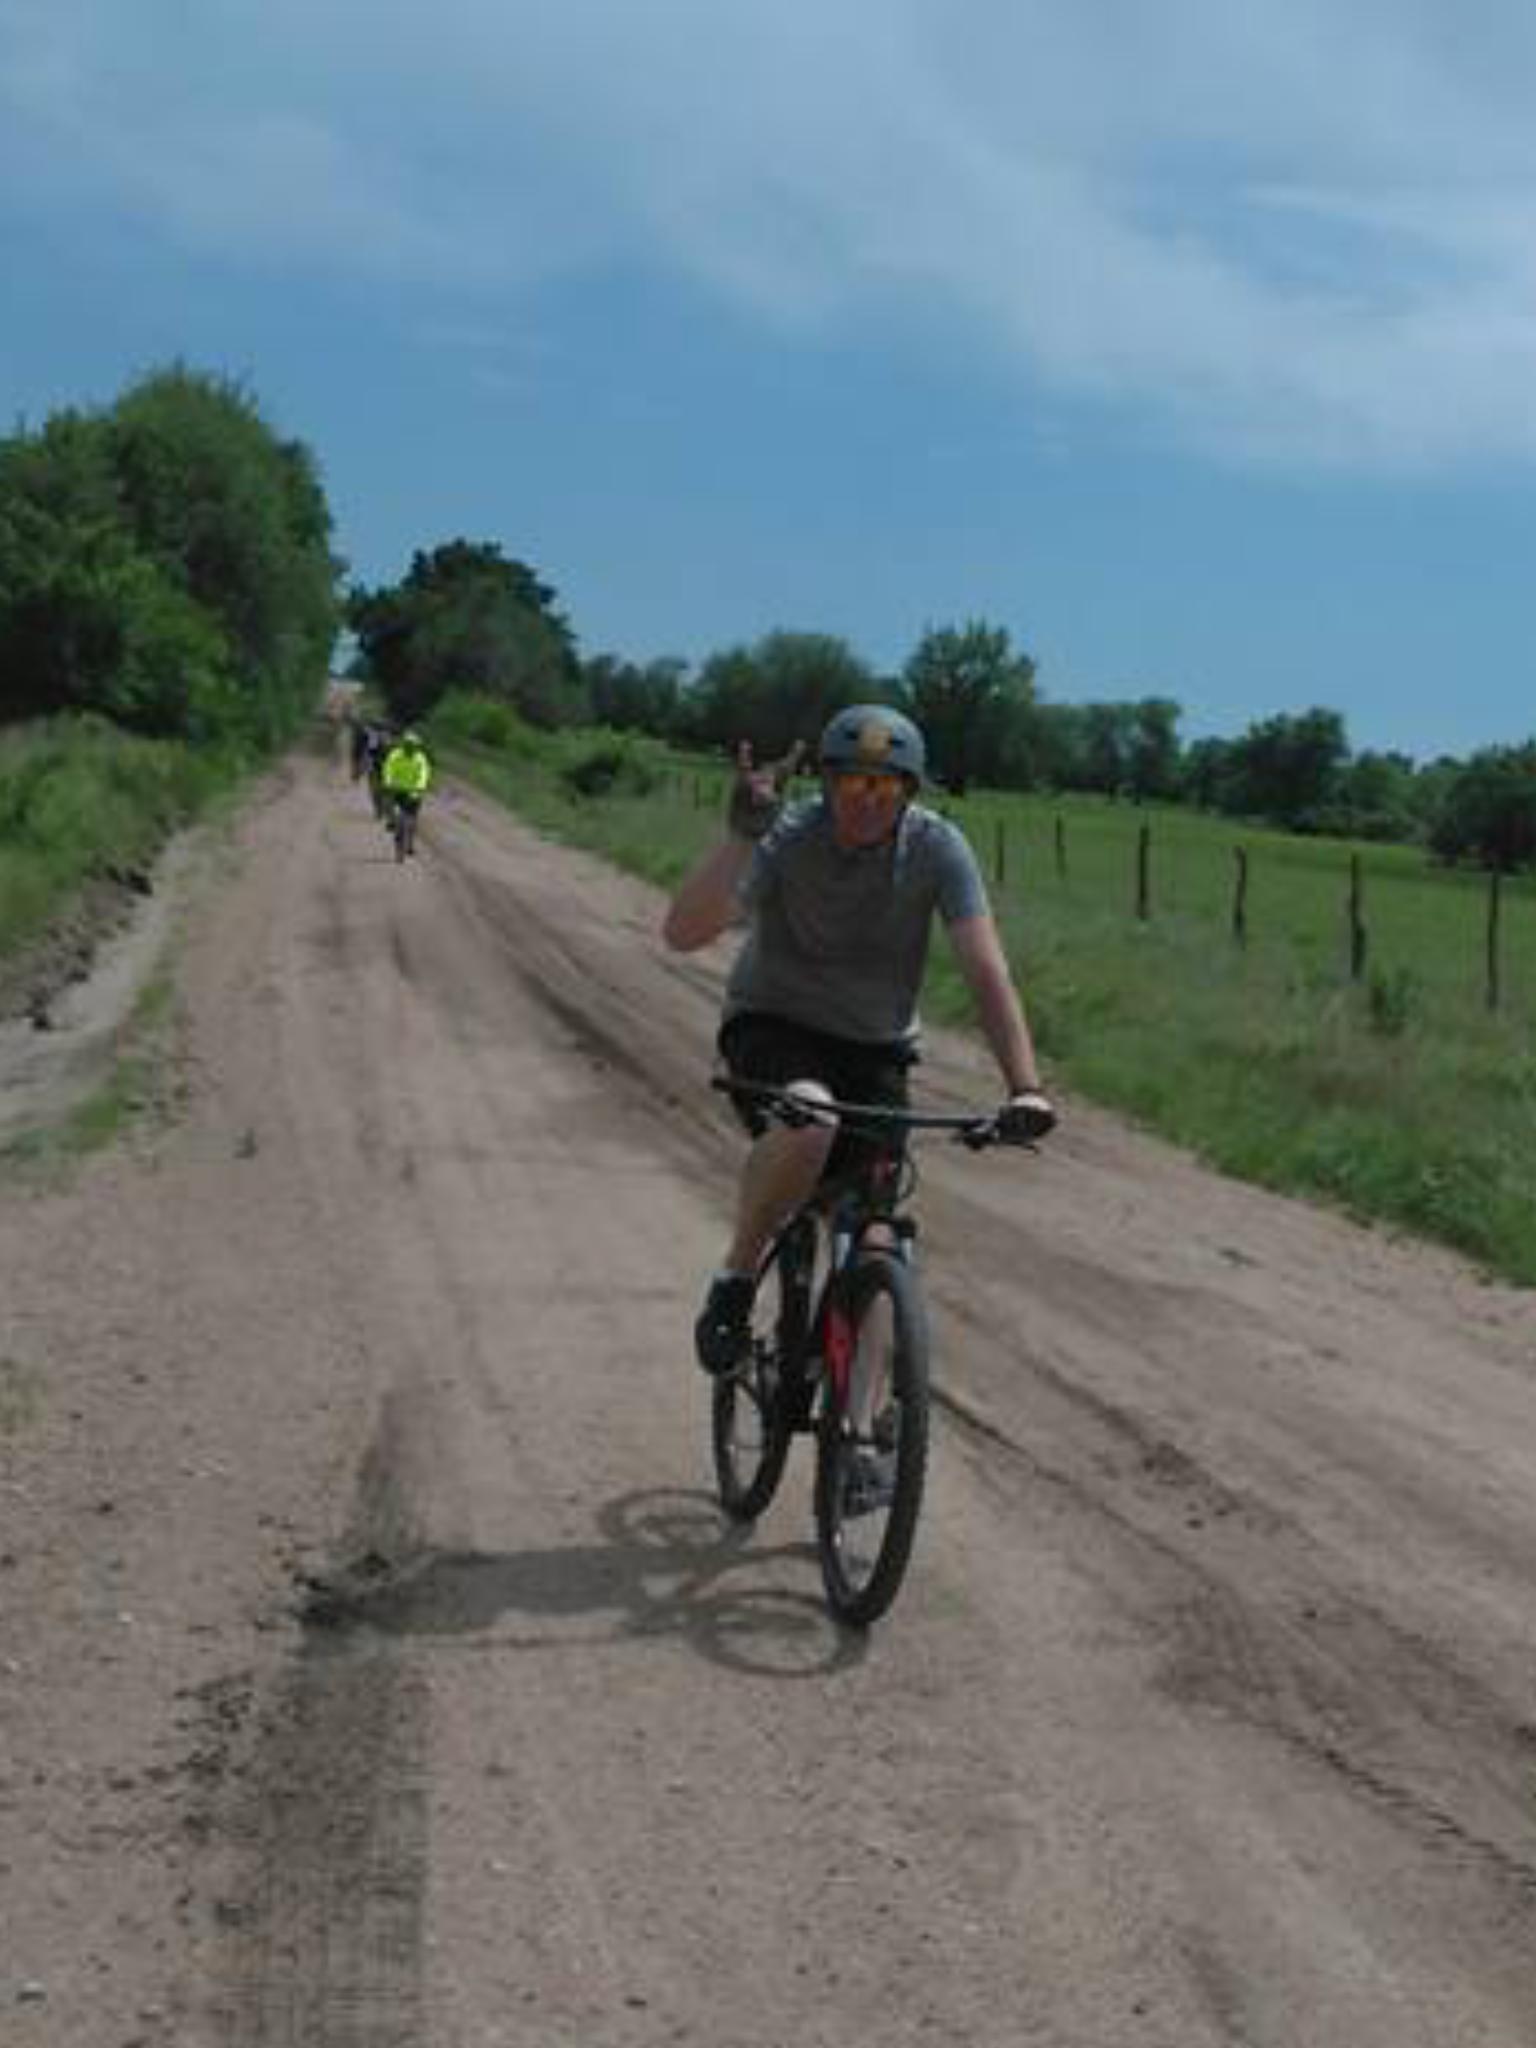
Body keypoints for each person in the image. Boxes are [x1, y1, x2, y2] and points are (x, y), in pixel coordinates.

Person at [662, 702, 1056, 1376]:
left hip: (875, 1049)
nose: (867, 800)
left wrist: (1026, 1088)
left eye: (885, 785)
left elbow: (985, 970)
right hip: (774, 1026)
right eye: (851, 782)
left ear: (909, 791)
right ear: (826, 782)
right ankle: (736, 1277)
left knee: (879, 1242)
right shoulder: (787, 835)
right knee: (811, 1119)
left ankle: (864, 1428)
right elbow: (684, 933)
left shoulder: (937, 848)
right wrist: (741, 837)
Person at [380, 728, 432, 850]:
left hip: (413, 790)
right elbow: (388, 768)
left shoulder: (420, 758)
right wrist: (388, 780)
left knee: (412, 818)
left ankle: (410, 843)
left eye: (412, 745)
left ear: (416, 746)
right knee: (389, 803)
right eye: (408, 744)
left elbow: (424, 773)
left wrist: (420, 785)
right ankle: (392, 820)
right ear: (403, 744)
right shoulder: (395, 755)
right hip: (397, 788)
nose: (410, 747)